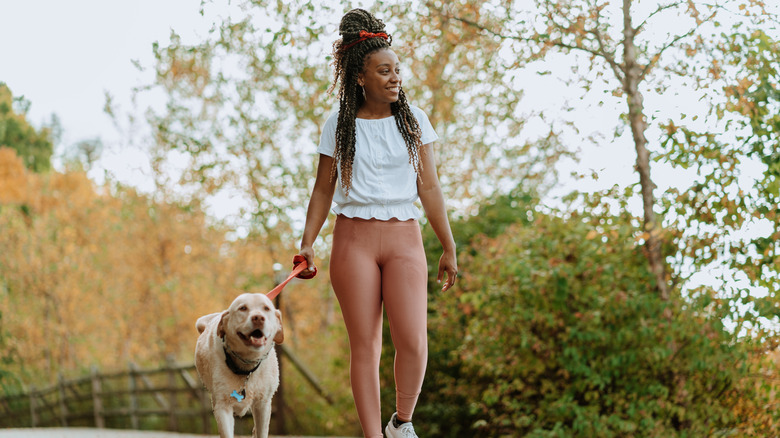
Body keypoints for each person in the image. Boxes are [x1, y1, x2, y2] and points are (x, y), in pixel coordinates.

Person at [298, 8, 458, 438]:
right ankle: (372, 436)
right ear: (360, 77)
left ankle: (401, 423)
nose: (394, 78)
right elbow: (321, 191)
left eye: (397, 70)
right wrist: (308, 242)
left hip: (405, 236)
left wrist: (448, 245)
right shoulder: (339, 124)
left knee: (412, 340)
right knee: (365, 346)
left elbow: (430, 189)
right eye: (383, 71)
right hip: (353, 240)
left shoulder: (413, 120)